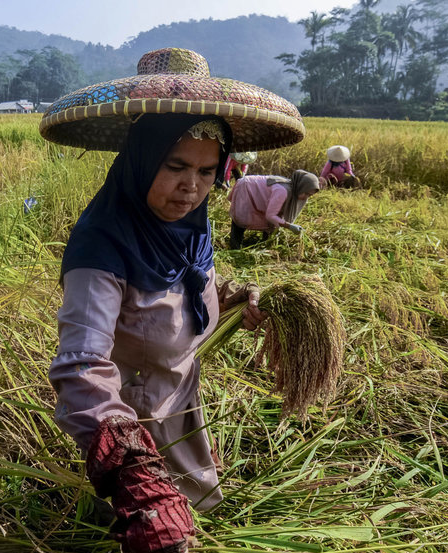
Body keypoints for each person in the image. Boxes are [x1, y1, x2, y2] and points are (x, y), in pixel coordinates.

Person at [38, 47, 305, 553]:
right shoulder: (102, 249)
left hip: (184, 411)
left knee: (202, 518)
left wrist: (231, 301)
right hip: (133, 431)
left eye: (207, 172)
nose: (192, 187)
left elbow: (188, 291)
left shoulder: (189, 231)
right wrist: (137, 479)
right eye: (176, 166)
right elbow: (80, 367)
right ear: (141, 161)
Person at [227, 170, 320, 249]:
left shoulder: (294, 190)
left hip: (259, 193)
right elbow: (270, 215)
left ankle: (262, 244)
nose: (306, 197)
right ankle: (235, 246)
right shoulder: (282, 191)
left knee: (271, 223)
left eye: (309, 195)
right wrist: (289, 226)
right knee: (242, 218)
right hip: (247, 188)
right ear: (301, 186)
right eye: (306, 193)